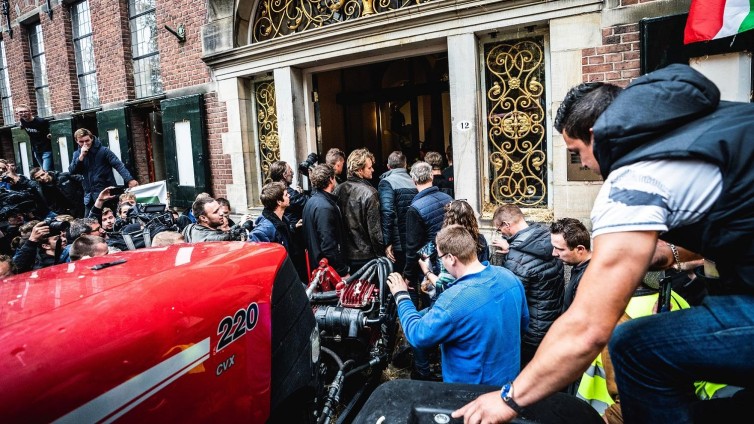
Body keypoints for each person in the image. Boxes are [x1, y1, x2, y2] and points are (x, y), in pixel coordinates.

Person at [453, 64, 754, 423]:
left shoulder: (633, 179)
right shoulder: (712, 126)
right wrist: (667, 254)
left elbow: (588, 328)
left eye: (576, 151)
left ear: (596, 134)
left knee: (633, 346)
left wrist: (509, 399)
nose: (585, 164)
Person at [386, 225, 528, 385]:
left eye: (440, 258)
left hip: (470, 392)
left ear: (451, 258)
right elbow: (522, 324)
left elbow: (418, 335)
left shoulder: (453, 299)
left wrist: (401, 295)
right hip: (510, 383)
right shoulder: (509, 277)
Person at [493, 204, 564, 368]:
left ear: (507, 225)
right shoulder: (547, 238)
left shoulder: (516, 258)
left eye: (499, 229)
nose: (501, 234)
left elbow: (513, 300)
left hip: (532, 331)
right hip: (554, 322)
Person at [404, 161, 453, 293]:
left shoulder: (414, 209)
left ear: (413, 181)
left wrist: (408, 274)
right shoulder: (448, 198)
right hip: (451, 258)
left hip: (430, 263)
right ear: (431, 176)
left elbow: (413, 246)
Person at [333, 148, 383, 272]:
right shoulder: (370, 193)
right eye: (369, 167)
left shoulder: (338, 190)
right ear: (360, 170)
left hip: (345, 255)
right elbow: (375, 232)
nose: (373, 170)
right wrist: (381, 256)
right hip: (367, 257)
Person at [69, 128, 139, 215]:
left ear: (92, 138)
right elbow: (72, 171)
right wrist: (81, 157)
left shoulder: (104, 151)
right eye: (81, 142)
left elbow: (118, 164)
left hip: (106, 194)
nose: (85, 144)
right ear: (77, 141)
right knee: (89, 224)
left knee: (109, 219)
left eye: (87, 140)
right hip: (89, 197)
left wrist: (129, 179)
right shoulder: (76, 154)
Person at [302, 164, 349, 277]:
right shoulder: (324, 207)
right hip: (328, 272)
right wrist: (342, 270)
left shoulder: (312, 201)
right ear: (330, 180)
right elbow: (328, 245)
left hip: (320, 268)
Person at [378, 151, 418, 276]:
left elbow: (387, 212)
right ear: (405, 165)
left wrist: (387, 242)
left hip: (398, 242)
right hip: (415, 238)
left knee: (398, 277)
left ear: (388, 166)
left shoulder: (386, 182)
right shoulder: (415, 182)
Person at [269, 160, 308, 280]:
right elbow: (308, 201)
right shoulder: (289, 194)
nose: (292, 173)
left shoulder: (278, 191)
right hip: (294, 243)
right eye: (290, 170)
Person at [550, 218, 591, 312]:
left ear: (580, 249)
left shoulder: (588, 279)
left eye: (560, 249)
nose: (554, 253)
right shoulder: (580, 267)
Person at [250, 182, 292, 252]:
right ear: (279, 202)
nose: (289, 195)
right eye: (286, 195)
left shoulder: (284, 220)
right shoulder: (265, 228)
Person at [17, 105, 53, 171]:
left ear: (30, 112)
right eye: (21, 112)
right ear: (18, 114)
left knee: (45, 170)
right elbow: (22, 124)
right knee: (42, 170)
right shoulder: (22, 120)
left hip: (46, 148)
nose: (23, 114)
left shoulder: (40, 122)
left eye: (25, 111)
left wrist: (50, 134)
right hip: (36, 149)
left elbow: (50, 130)